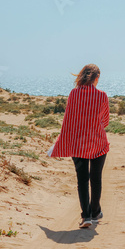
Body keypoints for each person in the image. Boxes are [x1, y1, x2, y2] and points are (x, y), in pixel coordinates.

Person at [49, 64, 110, 228]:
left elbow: (68, 119)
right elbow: (105, 121)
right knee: (96, 179)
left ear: (82, 76)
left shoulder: (74, 94)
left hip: (78, 145)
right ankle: (96, 212)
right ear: (96, 78)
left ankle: (87, 216)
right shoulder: (102, 96)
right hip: (98, 143)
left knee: (82, 180)